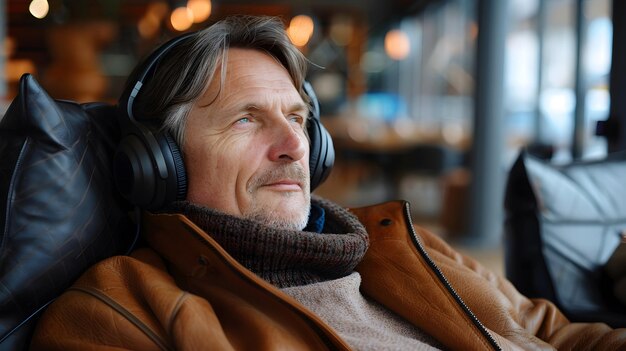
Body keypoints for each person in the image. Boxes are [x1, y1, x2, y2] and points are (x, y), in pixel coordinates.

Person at [31, 15, 625, 351]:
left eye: (297, 120)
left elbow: (559, 334)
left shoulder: (405, 243)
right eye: (246, 119)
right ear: (160, 162)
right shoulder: (121, 310)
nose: (293, 147)